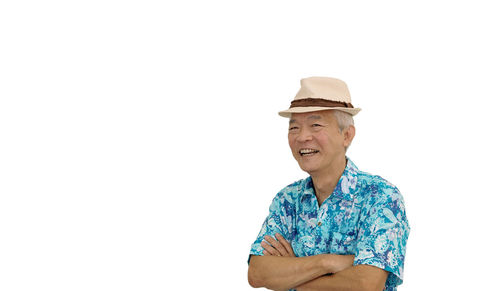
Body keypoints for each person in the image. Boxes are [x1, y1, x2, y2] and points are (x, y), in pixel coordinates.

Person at [247, 77, 410, 291]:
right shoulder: (287, 200)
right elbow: (258, 273)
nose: (303, 136)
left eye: (315, 125)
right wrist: (328, 262)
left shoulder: (380, 196)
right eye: (294, 127)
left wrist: (291, 275)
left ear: (347, 135)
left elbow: (366, 284)